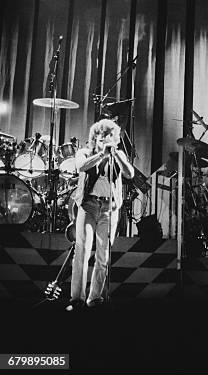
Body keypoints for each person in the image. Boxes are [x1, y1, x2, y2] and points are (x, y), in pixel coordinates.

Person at [66, 119, 134, 311]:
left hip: (109, 208)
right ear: (97, 137)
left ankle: (94, 297)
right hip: (88, 205)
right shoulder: (85, 152)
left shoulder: (118, 154)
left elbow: (129, 174)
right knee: (83, 250)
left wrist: (117, 156)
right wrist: (101, 156)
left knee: (103, 254)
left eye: (113, 136)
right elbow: (81, 166)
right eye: (106, 135)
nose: (113, 140)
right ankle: (76, 298)